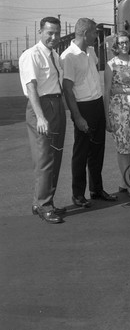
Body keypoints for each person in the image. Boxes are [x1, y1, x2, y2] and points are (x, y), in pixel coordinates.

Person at [61, 18, 117, 208]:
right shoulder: (68, 57)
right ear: (85, 34)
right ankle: (78, 195)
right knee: (81, 153)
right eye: (94, 33)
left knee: (97, 151)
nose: (96, 36)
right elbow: (67, 89)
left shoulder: (91, 51)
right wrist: (77, 117)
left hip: (97, 104)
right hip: (83, 107)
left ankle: (96, 190)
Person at [19, 16, 67, 224]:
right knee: (44, 158)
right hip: (42, 107)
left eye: (57, 33)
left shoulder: (55, 55)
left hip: (57, 104)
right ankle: (44, 205)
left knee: (55, 156)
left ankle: (43, 201)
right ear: (40, 32)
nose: (54, 37)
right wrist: (40, 116)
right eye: (50, 33)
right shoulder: (32, 55)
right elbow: (31, 87)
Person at [104, 31, 130, 197]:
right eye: (121, 42)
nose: (124, 45)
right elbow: (107, 91)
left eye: (126, 42)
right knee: (123, 148)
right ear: (116, 45)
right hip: (118, 110)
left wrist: (121, 89)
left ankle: (123, 182)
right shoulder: (111, 65)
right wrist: (107, 116)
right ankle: (129, 185)